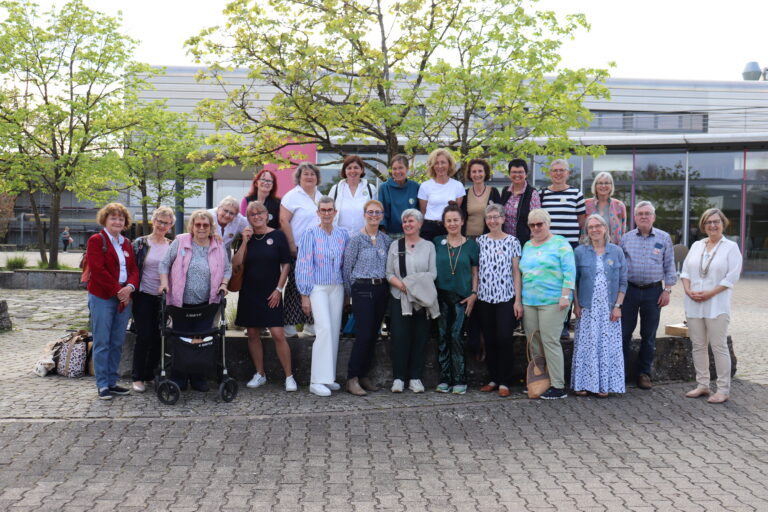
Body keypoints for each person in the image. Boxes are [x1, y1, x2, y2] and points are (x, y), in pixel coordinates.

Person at [159, 209, 231, 392]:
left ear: (211, 227)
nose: (201, 228)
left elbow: (227, 269)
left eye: (205, 225)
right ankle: (179, 378)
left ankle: (198, 378)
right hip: (180, 304)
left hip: (207, 304)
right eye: (198, 224)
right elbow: (164, 264)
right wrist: (164, 284)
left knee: (201, 340)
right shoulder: (180, 241)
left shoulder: (218, 244)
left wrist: (224, 284)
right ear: (191, 226)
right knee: (182, 341)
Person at [233, 201, 297, 392]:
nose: (257, 216)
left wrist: (279, 289)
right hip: (249, 292)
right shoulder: (245, 237)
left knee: (278, 334)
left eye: (260, 212)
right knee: (253, 334)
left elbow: (286, 264)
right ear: (248, 218)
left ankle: (289, 376)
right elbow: (236, 263)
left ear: (267, 214)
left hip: (271, 293)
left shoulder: (277, 235)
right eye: (252, 214)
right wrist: (245, 241)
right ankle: (260, 373)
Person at [681, 208, 741, 404]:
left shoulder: (731, 247)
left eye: (716, 222)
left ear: (723, 224)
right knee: (698, 345)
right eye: (708, 222)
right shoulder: (697, 245)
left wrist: (709, 293)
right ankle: (703, 384)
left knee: (718, 346)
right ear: (703, 225)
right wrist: (688, 290)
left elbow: (731, 277)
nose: (712, 225)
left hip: (716, 304)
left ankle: (723, 389)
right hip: (694, 303)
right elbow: (685, 272)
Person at [295, 197, 350, 397]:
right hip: (317, 287)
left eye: (330, 210)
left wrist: (347, 292)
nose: (327, 213)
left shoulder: (343, 234)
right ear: (318, 213)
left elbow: (345, 264)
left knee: (334, 331)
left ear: (335, 212)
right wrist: (305, 295)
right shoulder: (309, 233)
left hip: (337, 286)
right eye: (323, 210)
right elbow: (303, 264)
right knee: (324, 329)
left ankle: (328, 377)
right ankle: (316, 381)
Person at [519, 208, 575, 400]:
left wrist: (565, 296)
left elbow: (570, 271)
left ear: (547, 224)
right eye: (532, 225)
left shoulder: (560, 243)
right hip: (530, 301)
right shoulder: (527, 245)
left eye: (539, 224)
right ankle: (540, 381)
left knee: (550, 341)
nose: (536, 228)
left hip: (553, 301)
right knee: (533, 341)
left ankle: (558, 385)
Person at [620, 201, 676, 390]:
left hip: (654, 292)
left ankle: (644, 374)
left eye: (647, 213)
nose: (644, 216)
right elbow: (620, 268)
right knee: (623, 333)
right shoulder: (626, 238)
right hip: (629, 291)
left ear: (654, 217)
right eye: (640, 213)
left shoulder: (664, 237)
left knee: (649, 335)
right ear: (635, 217)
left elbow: (669, 265)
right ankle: (620, 373)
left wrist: (667, 290)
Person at [86, 203, 139, 400]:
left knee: (117, 341)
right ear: (105, 220)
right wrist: (119, 291)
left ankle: (112, 381)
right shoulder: (96, 240)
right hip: (103, 297)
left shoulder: (126, 243)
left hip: (124, 297)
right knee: (102, 341)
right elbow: (98, 271)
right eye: (113, 218)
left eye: (121, 219)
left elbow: (134, 269)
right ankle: (102, 384)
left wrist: (130, 287)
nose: (117, 221)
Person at [572, 214, 627, 397]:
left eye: (598, 226)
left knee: (607, 346)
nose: (594, 229)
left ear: (605, 228)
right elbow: (574, 282)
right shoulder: (580, 252)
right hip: (587, 308)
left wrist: (618, 306)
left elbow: (623, 282)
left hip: (609, 309)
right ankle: (583, 383)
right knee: (586, 346)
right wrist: (576, 305)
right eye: (591, 227)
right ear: (587, 231)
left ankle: (604, 385)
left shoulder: (617, 251)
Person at [342, 199, 393, 396]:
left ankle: (364, 376)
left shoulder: (386, 240)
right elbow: (347, 268)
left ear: (382, 216)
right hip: (362, 288)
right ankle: (352, 378)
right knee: (363, 334)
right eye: (370, 212)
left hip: (381, 288)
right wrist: (350, 294)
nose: (374, 215)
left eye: (377, 212)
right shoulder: (356, 239)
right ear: (364, 215)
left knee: (373, 334)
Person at [386, 209, 438, 393]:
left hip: (422, 299)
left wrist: (413, 286)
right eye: (405, 221)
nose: (407, 224)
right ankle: (399, 378)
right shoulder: (395, 245)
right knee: (399, 338)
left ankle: (415, 378)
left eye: (411, 221)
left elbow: (432, 274)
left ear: (420, 224)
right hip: (399, 297)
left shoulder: (429, 246)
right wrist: (403, 286)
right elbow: (389, 273)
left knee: (420, 338)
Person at [476, 203, 522, 397]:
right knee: (490, 339)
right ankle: (493, 379)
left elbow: (516, 272)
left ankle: (505, 381)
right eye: (489, 217)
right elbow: (476, 270)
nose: (493, 221)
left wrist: (518, 300)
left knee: (504, 338)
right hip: (484, 298)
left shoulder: (512, 241)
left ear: (503, 219)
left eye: (496, 217)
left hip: (506, 297)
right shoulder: (479, 241)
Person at [433, 201, 479, 394]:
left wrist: (474, 294)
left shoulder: (471, 245)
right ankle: (445, 378)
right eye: (448, 220)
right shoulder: (437, 242)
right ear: (444, 223)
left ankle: (460, 379)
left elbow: (475, 272)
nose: (452, 224)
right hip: (441, 296)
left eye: (455, 220)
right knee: (443, 336)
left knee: (456, 336)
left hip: (462, 298)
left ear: (462, 221)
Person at [130, 206, 175, 393]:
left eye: (167, 223)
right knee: (144, 336)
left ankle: (149, 374)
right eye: (160, 221)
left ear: (171, 226)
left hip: (163, 298)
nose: (162, 225)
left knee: (159, 337)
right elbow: (132, 269)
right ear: (153, 221)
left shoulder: (172, 245)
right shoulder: (140, 243)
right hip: (143, 295)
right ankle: (137, 376)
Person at [540, 159, 585, 340]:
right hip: (548, 246)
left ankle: (564, 324)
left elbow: (581, 221)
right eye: (555, 170)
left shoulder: (576, 193)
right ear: (550, 173)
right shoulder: (542, 194)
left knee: (568, 283)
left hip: (570, 246)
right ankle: (550, 321)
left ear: (568, 173)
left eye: (561, 170)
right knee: (550, 282)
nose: (558, 173)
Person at [280, 162, 323, 336]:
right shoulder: (292, 196)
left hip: (317, 249)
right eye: (306, 174)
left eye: (312, 174)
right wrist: (291, 245)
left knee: (314, 286)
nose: (309, 177)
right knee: (295, 285)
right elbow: (283, 221)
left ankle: (310, 324)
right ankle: (289, 324)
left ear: (317, 178)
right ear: (299, 177)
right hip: (297, 247)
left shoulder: (321, 196)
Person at [417, 148, 465, 241]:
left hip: (449, 229)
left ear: (449, 164)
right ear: (432, 166)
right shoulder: (425, 186)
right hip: (429, 230)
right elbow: (423, 211)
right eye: (436, 163)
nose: (440, 166)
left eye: (443, 162)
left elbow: (456, 211)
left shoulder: (458, 186)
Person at [329, 155, 377, 237]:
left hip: (364, 238)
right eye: (349, 168)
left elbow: (376, 214)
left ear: (361, 170)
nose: (352, 171)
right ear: (345, 171)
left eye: (356, 167)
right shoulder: (336, 189)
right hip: (339, 238)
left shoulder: (371, 189)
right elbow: (327, 213)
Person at [500, 158, 541, 246]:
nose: (517, 175)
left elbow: (536, 219)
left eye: (520, 172)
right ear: (509, 174)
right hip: (505, 242)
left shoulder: (532, 193)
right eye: (514, 172)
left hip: (524, 242)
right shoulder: (505, 191)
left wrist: (533, 243)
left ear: (526, 174)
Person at [378, 154, 420, 237]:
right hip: (390, 234)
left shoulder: (415, 187)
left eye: (400, 168)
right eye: (394, 169)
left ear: (407, 168)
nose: (397, 172)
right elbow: (381, 213)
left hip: (412, 233)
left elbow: (419, 212)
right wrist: (383, 235)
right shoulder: (384, 188)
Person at [460, 158, 501, 238]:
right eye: (474, 172)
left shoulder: (493, 192)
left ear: (485, 173)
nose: (477, 174)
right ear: (470, 174)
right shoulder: (465, 194)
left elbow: (500, 216)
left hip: (489, 237)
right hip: (468, 238)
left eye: (480, 171)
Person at [585, 171, 626, 245]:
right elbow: (582, 228)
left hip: (613, 247)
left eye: (607, 183)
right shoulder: (586, 204)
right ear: (595, 186)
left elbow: (623, 230)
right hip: (589, 247)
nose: (603, 186)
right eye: (600, 183)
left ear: (611, 186)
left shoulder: (619, 205)